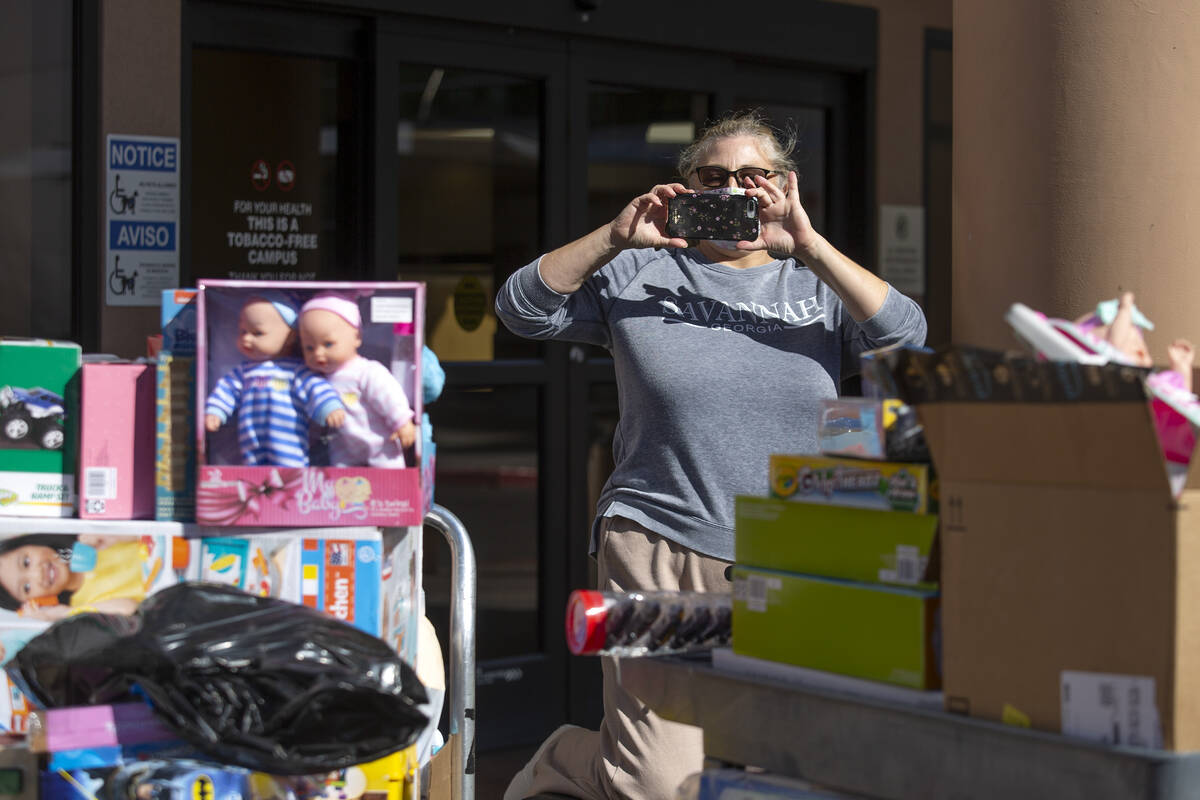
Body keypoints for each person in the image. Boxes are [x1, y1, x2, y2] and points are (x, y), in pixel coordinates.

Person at [495, 109, 928, 800]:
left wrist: (809, 245)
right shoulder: (636, 271)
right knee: (658, 783)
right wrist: (613, 237)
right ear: (686, 188)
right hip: (659, 535)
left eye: (754, 175)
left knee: (776, 765)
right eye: (714, 176)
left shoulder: (816, 283)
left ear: (785, 184)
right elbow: (522, 308)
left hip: (796, 547)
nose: (735, 189)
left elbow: (907, 339)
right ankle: (567, 758)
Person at [205, 291, 347, 467]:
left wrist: (328, 406)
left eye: (257, 333)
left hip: (287, 440)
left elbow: (315, 386)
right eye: (243, 331)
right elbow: (226, 390)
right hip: (249, 439)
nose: (246, 339)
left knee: (289, 471)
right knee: (253, 473)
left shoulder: (296, 370)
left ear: (291, 336)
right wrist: (216, 411)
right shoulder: (244, 372)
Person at [297, 292, 418, 467]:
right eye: (309, 347)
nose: (318, 353)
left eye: (328, 344)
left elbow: (389, 396)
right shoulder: (316, 379)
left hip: (380, 444)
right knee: (343, 483)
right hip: (342, 448)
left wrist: (402, 421)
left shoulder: (366, 372)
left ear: (357, 337)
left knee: (388, 479)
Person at [0, 533, 147, 621]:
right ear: (34, 602)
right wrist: (65, 615)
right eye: (27, 587)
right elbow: (129, 608)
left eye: (26, 562)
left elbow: (150, 531)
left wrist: (110, 534)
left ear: (31, 543)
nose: (37, 574)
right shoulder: (79, 607)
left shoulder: (94, 539)